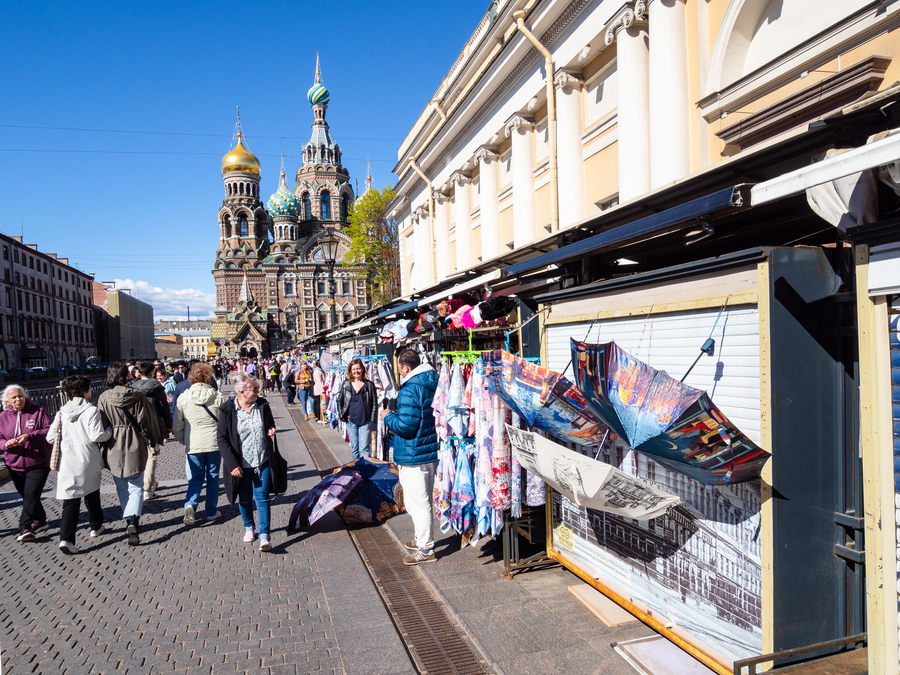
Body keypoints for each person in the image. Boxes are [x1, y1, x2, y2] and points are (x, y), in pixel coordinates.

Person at [381, 349, 439, 565]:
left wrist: (388, 417)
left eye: (399, 369)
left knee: (418, 502)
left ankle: (426, 549)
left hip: (414, 452)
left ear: (406, 368)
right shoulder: (431, 380)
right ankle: (421, 539)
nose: (400, 373)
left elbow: (406, 427)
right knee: (423, 500)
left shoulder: (409, 389)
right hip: (428, 450)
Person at [96, 363, 162, 546]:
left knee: (121, 485)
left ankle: (128, 519)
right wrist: (155, 442)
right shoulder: (138, 396)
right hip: (135, 441)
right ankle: (133, 519)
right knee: (136, 485)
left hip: (113, 444)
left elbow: (100, 425)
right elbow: (149, 422)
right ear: (127, 376)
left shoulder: (103, 398)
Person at [48, 375, 112, 554]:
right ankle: (96, 526)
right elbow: (96, 435)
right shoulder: (91, 410)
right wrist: (109, 431)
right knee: (92, 493)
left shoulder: (61, 412)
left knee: (71, 501)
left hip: (67, 461)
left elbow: (50, 437)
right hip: (87, 458)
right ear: (85, 390)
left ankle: (66, 539)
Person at [217, 372, 278, 552]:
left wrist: (270, 430)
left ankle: (265, 536)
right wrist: (231, 464)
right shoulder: (227, 410)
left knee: (262, 497)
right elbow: (222, 438)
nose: (258, 391)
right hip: (240, 464)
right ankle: (249, 527)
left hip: (262, 460)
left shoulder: (262, 405)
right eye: (254, 389)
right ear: (242, 391)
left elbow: (269, 423)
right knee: (244, 498)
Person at [174, 362, 224, 525]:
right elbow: (224, 422)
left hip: (193, 443)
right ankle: (211, 511)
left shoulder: (184, 397)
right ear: (209, 377)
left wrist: (184, 440)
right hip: (214, 443)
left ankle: (190, 504)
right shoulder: (217, 396)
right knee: (213, 477)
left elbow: (178, 425)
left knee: (195, 478)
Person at [0, 385, 53, 542]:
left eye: (20, 396)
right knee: (28, 495)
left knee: (31, 494)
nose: (18, 399)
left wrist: (29, 436)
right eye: (14, 397)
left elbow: (49, 430)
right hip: (14, 464)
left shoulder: (38, 411)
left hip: (38, 461)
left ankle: (24, 527)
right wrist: (6, 444)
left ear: (25, 396)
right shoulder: (3, 417)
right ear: (7, 401)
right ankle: (41, 521)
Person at [131, 361, 173, 501]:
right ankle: (147, 489)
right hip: (153, 424)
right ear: (152, 373)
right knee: (152, 455)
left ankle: (151, 483)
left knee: (141, 456)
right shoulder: (156, 388)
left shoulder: (133, 388)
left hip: (136, 426)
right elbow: (164, 407)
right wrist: (169, 424)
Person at [338, 359, 377, 459]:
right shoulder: (346, 384)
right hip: (351, 422)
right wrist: (342, 415)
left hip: (365, 421)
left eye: (358, 368)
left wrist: (372, 422)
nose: (356, 371)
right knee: (355, 448)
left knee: (364, 448)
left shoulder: (369, 385)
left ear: (363, 369)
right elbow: (340, 400)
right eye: (354, 369)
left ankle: (364, 472)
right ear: (350, 371)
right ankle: (356, 471)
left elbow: (374, 405)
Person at [312, 360, 326, 424]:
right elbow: (319, 381)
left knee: (318, 403)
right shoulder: (317, 371)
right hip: (318, 390)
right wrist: (322, 391)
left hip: (319, 389)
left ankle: (318, 417)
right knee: (319, 404)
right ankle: (318, 417)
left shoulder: (318, 370)